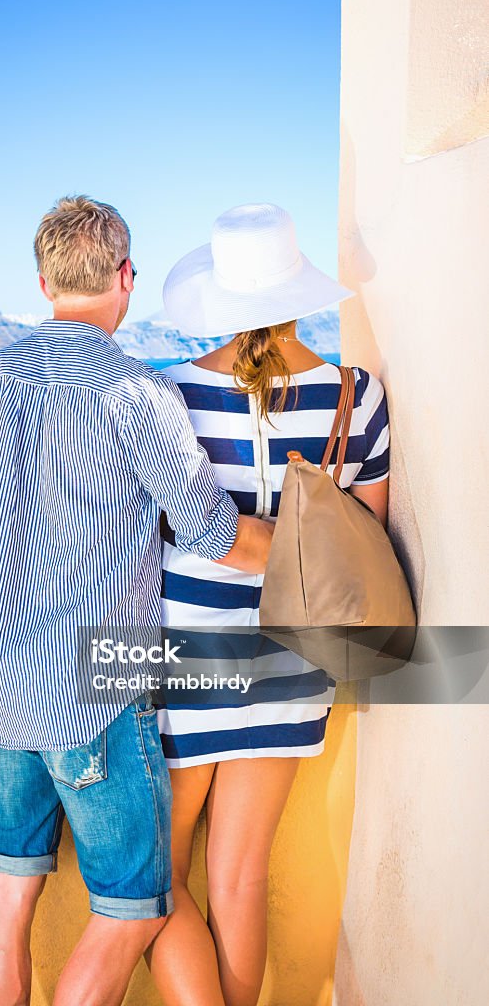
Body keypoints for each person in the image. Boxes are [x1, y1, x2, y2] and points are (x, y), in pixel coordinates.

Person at [0, 195, 275, 1006]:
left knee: (6, 898)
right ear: (124, 278)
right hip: (98, 696)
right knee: (133, 910)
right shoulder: (137, 395)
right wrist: (322, 546)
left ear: (43, 281)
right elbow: (217, 539)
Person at [144, 203, 391, 1006]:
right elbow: (365, 539)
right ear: (295, 291)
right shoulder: (359, 396)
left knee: (152, 878)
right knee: (242, 880)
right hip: (293, 661)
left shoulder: (166, 397)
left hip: (183, 656)